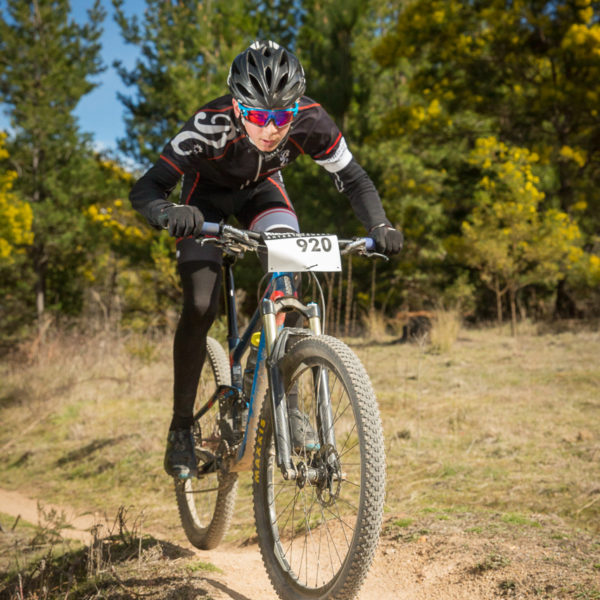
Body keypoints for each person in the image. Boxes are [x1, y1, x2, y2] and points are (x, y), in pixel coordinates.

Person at [129, 40, 403, 480]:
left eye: (282, 117)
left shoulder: (312, 119)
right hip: (205, 202)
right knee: (201, 306)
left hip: (262, 193)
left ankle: (288, 401)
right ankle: (181, 426)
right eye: (258, 116)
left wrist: (381, 226)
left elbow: (354, 179)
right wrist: (168, 213)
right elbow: (145, 189)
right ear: (237, 107)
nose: (271, 129)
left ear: (297, 109)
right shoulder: (206, 125)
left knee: (288, 278)